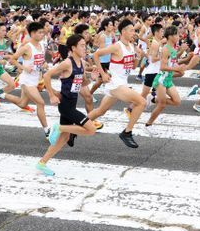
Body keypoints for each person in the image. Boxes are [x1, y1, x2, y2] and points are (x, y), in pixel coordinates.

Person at [36, 35, 98, 176]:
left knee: (63, 139)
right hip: (65, 105)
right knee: (91, 129)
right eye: (82, 45)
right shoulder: (67, 63)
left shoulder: (81, 63)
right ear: (73, 48)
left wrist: (92, 79)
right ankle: (58, 127)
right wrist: (52, 95)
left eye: (85, 45)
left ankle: (42, 163)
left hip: (72, 103)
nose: (85, 48)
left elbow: (81, 84)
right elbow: (47, 75)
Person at [88, 18, 146, 148]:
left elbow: (132, 67)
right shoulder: (117, 46)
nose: (134, 33)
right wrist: (103, 74)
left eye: (134, 30)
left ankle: (75, 127)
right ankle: (127, 133)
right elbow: (96, 55)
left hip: (122, 83)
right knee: (141, 102)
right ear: (123, 31)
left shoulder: (131, 46)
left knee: (100, 111)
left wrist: (138, 56)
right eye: (131, 30)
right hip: (115, 83)